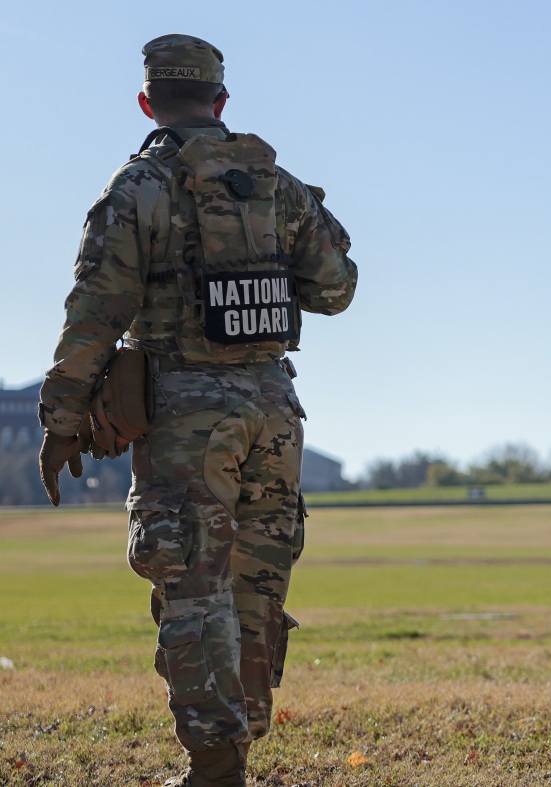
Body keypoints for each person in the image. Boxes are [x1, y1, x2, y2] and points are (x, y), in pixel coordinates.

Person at [37, 34, 357, 787]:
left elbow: (94, 312)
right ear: (220, 102)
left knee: (191, 584)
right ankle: (236, 744)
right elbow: (337, 288)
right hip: (275, 410)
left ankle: (216, 763)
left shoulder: (139, 187)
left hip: (185, 412)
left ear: (148, 101)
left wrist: (60, 421)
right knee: (255, 583)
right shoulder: (278, 185)